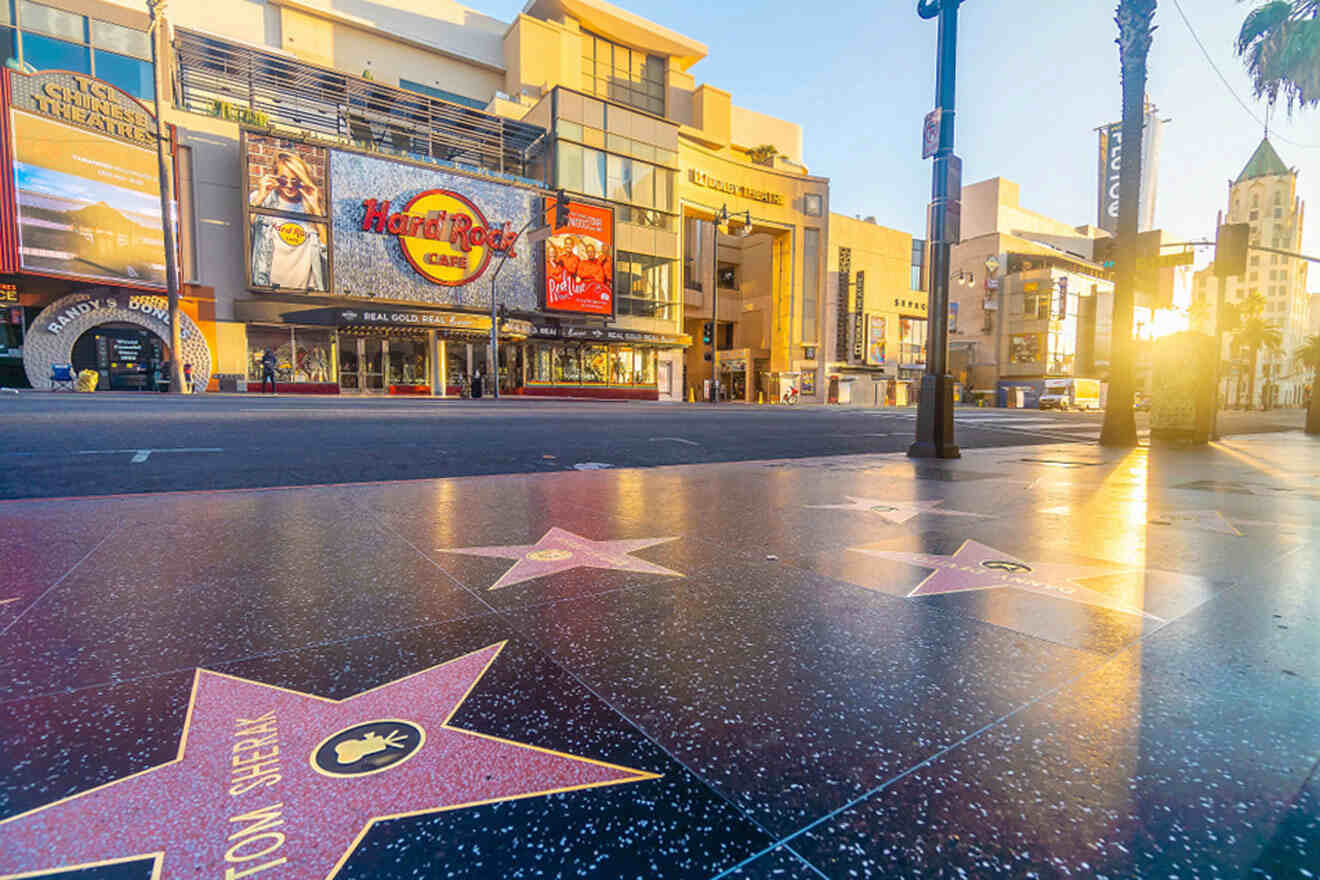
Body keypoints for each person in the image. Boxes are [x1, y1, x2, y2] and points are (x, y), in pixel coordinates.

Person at [249, 151, 327, 290]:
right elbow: (244, 236)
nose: (289, 186)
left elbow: (327, 252)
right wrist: (260, 198)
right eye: (283, 180)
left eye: (295, 181)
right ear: (274, 176)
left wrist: (316, 209)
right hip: (267, 287)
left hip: (306, 292)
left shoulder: (311, 207)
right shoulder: (261, 199)